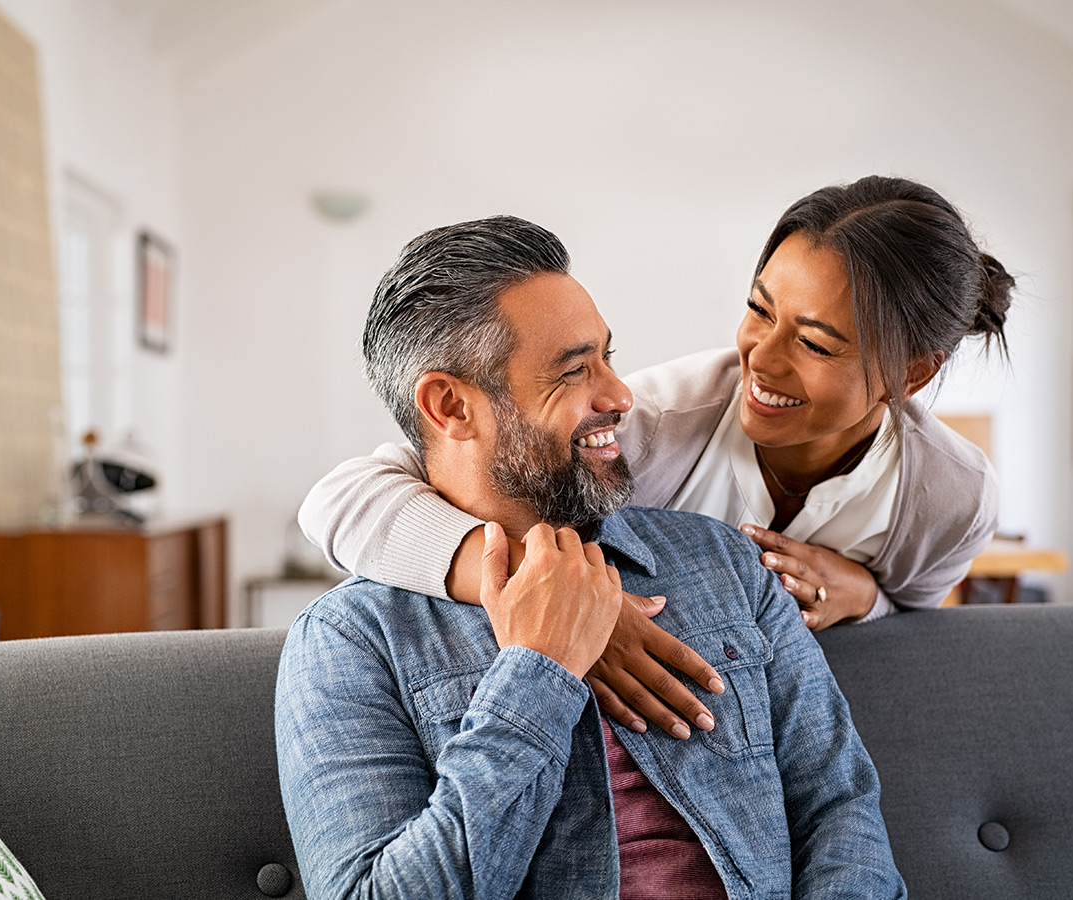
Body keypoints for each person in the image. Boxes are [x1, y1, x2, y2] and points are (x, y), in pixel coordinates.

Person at [275, 215, 906, 899]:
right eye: (575, 370)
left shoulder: (725, 562)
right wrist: (537, 673)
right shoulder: (351, 641)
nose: (620, 395)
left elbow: (841, 809)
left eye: (607, 357)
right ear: (451, 405)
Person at [297, 176, 1014, 736]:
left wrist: (868, 599)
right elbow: (342, 500)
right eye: (759, 309)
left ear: (911, 374)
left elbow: (916, 627)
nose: (760, 359)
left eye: (816, 342)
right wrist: (556, 598)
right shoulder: (654, 423)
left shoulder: (951, 497)